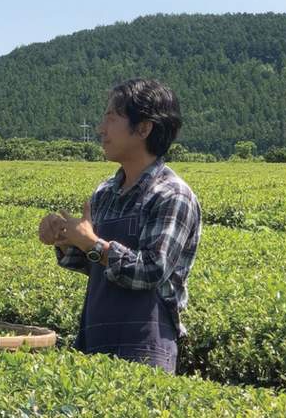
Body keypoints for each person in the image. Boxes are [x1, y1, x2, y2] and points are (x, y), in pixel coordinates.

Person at [37, 78, 201, 372]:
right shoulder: (105, 193)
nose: (101, 129)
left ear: (144, 128)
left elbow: (151, 270)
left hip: (146, 346)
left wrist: (91, 243)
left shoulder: (171, 195)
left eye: (111, 118)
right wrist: (65, 240)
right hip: (95, 338)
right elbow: (93, 263)